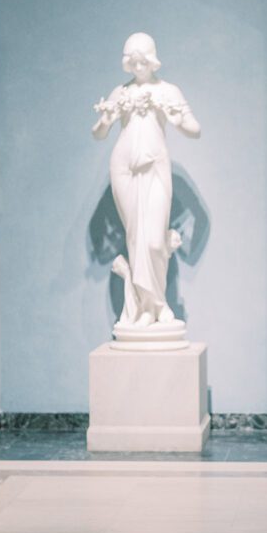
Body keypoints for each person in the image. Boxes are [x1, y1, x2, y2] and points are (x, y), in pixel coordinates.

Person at [92, 33, 200, 332]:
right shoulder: (120, 92)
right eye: (132, 61)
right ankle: (144, 308)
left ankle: (159, 304)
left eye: (143, 60)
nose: (138, 66)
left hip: (154, 166)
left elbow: (194, 129)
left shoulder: (167, 91)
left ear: (152, 59)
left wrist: (176, 116)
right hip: (124, 167)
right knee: (135, 239)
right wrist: (106, 118)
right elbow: (99, 133)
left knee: (153, 240)